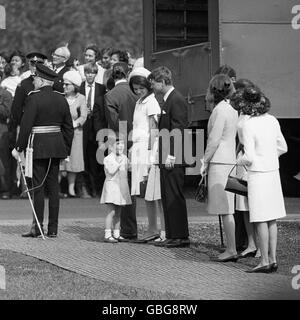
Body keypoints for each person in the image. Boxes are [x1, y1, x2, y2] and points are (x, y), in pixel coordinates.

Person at [11, 63, 74, 238]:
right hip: (56, 146)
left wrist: (19, 148)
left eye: (36, 79)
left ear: (41, 80)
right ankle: (53, 229)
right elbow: (68, 127)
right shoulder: (61, 98)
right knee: (53, 188)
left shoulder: (34, 98)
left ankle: (37, 227)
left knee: (37, 187)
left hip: (38, 146)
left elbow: (26, 125)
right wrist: (66, 149)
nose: (34, 82)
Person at [237, 86, 287, 273]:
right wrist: (269, 157)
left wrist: (239, 160)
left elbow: (248, 157)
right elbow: (283, 147)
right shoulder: (272, 120)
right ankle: (273, 259)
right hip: (273, 171)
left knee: (259, 219)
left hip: (257, 174)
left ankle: (264, 260)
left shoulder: (248, 125)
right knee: (272, 218)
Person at [148, 66, 189, 248]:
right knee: (167, 195)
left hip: (174, 157)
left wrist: (172, 154)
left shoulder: (175, 99)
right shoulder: (168, 99)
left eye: (154, 83)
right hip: (167, 156)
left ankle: (180, 235)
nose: (153, 87)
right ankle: (173, 234)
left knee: (174, 196)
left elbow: (178, 129)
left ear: (163, 82)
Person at [201, 74, 238, 261]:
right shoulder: (231, 109)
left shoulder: (219, 111)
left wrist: (205, 160)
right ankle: (232, 246)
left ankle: (231, 249)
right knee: (228, 208)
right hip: (229, 159)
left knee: (225, 209)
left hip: (219, 161)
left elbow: (214, 140)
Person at [128, 67, 165, 243]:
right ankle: (152, 229)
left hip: (148, 150)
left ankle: (162, 230)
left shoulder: (151, 102)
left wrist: (151, 155)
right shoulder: (140, 102)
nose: (138, 91)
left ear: (147, 86)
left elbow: (154, 130)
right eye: (135, 89)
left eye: (141, 88)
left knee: (154, 193)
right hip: (138, 149)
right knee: (146, 193)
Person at [104, 61, 138, 241]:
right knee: (131, 186)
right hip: (137, 139)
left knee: (118, 185)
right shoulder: (135, 92)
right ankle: (130, 228)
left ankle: (121, 229)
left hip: (119, 141)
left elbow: (114, 123)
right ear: (128, 73)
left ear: (112, 75)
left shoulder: (110, 95)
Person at [230, 79, 261, 259]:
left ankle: (258, 244)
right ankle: (251, 243)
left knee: (253, 205)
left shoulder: (254, 116)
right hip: (241, 159)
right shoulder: (241, 112)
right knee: (243, 206)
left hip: (248, 161)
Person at [79, 62, 107, 198]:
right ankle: (86, 187)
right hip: (83, 127)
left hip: (97, 128)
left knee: (97, 158)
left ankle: (97, 187)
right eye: (88, 72)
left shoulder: (102, 88)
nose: (90, 75)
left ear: (96, 74)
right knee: (84, 157)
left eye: (92, 73)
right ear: (84, 73)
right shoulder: (79, 88)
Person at [100, 134, 132, 243]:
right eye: (118, 144)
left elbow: (130, 167)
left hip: (121, 188)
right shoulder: (108, 159)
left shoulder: (124, 157)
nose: (121, 146)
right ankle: (107, 234)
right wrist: (120, 162)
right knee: (111, 212)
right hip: (112, 187)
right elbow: (111, 170)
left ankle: (117, 233)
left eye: (123, 143)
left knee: (119, 212)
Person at [62, 70, 87, 197]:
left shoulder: (81, 98)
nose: (64, 87)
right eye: (64, 84)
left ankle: (71, 189)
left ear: (74, 86)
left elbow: (83, 116)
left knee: (74, 160)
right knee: (61, 160)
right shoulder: (60, 97)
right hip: (61, 133)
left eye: (67, 84)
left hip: (76, 133)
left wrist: (75, 123)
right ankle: (58, 189)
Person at [0, 86, 13, 199]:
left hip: (2, 130)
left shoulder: (5, 94)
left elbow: (7, 112)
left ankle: (5, 189)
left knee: (3, 162)